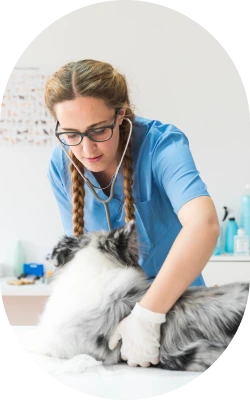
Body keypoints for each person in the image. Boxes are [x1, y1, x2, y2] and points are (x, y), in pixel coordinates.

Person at [44, 59, 220, 368]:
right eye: (71, 134)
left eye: (98, 130)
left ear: (121, 113)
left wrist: (148, 315)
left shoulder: (161, 145)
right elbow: (84, 261)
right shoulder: (60, 166)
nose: (86, 149)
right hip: (114, 329)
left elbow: (203, 225)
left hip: (181, 318)